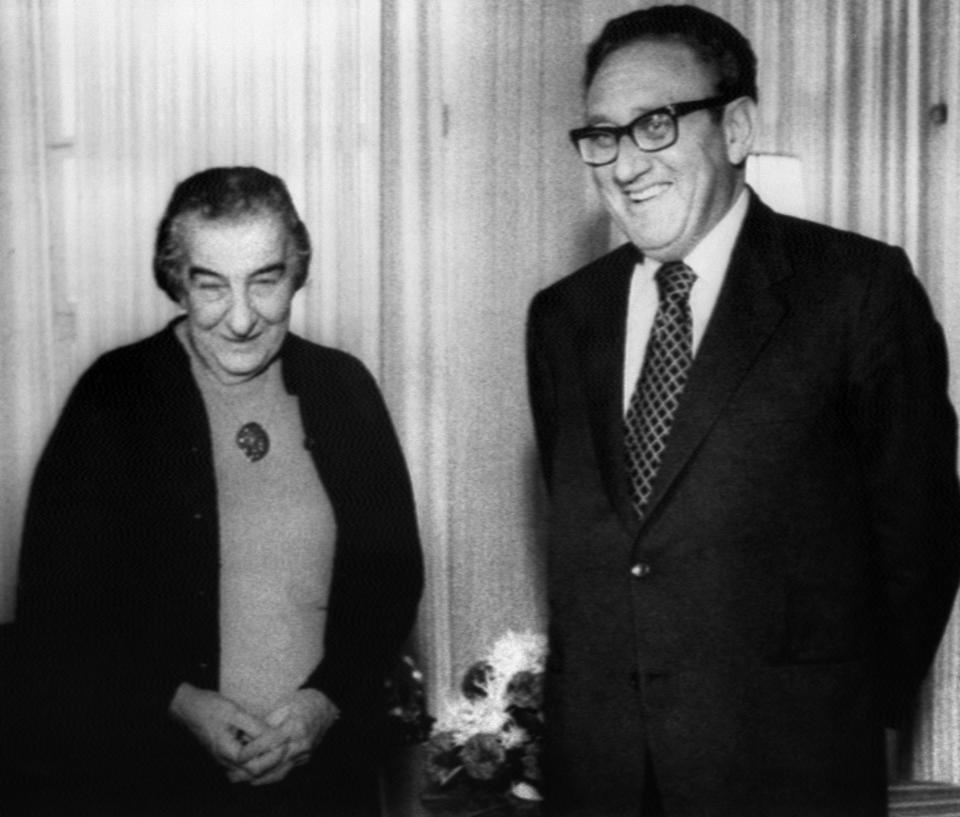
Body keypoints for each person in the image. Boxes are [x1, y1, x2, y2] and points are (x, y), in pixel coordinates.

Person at [526, 6, 960, 816]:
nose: (624, 164)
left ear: (736, 127)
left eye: (655, 125)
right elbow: (602, 541)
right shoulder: (563, 317)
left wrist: (837, 715)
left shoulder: (856, 292)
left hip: (792, 773)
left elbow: (921, 541)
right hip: (602, 779)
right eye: (602, 135)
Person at [10, 166, 423, 817]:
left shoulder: (345, 389)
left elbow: (392, 573)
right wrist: (178, 701)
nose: (239, 318)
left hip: (325, 778)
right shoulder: (114, 396)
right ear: (176, 277)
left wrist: (324, 702)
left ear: (298, 272)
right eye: (211, 284)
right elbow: (56, 606)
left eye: (265, 280)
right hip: (158, 780)